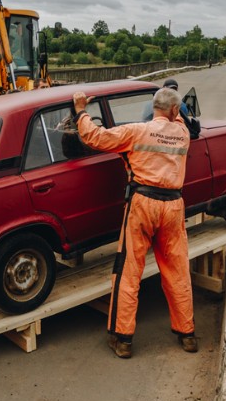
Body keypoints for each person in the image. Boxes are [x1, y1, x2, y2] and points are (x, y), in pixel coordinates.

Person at [73, 88, 197, 359]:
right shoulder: (183, 133)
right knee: (177, 271)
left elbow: (95, 136)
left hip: (142, 204)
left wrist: (81, 110)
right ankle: (187, 335)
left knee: (129, 272)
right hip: (173, 207)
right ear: (175, 112)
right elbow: (183, 119)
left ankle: (123, 339)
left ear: (154, 108)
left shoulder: (136, 132)